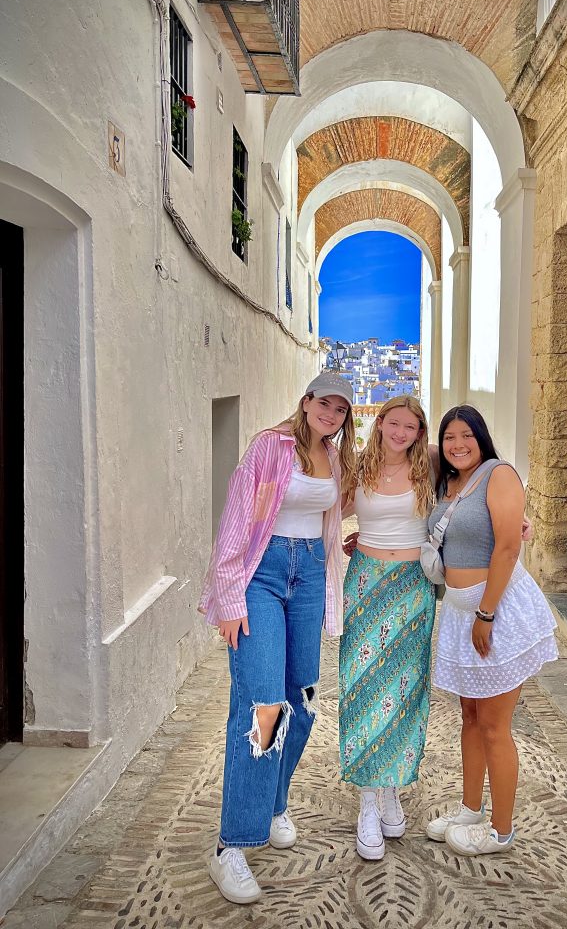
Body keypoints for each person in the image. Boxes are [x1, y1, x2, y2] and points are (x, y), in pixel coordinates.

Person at [199, 371, 356, 904]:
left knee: (300, 702)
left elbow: (367, 493)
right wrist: (229, 597)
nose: (330, 414)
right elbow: (236, 520)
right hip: (261, 576)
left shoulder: (335, 458)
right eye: (324, 403)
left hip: (309, 575)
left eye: (340, 409)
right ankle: (231, 845)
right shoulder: (270, 446)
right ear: (306, 402)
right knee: (263, 706)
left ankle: (272, 800)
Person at [426, 405, 558, 855]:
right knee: (470, 717)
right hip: (460, 612)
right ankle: (470, 808)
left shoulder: (498, 474)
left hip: (495, 610)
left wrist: (486, 615)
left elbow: (507, 548)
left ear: (481, 437)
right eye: (449, 437)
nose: (458, 444)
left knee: (495, 726)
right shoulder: (447, 480)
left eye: (467, 435)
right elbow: (410, 451)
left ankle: (501, 830)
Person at [338, 395, 437, 860]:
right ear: (379, 423)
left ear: (419, 432)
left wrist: (516, 516)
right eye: (393, 423)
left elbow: (477, 481)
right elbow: (324, 508)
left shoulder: (430, 465)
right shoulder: (356, 467)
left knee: (405, 687)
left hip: (413, 588)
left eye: (410, 426)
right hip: (365, 584)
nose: (400, 432)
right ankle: (367, 802)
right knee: (362, 686)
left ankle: (391, 785)